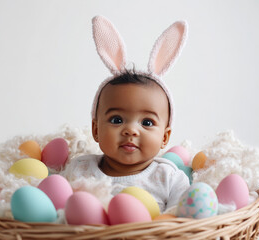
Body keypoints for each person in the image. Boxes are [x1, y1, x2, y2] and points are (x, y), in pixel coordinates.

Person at [65, 16, 190, 212]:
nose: (131, 130)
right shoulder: (80, 170)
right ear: (96, 129)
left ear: (165, 137)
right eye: (117, 120)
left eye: (147, 123)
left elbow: (181, 221)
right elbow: (55, 207)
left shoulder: (169, 178)